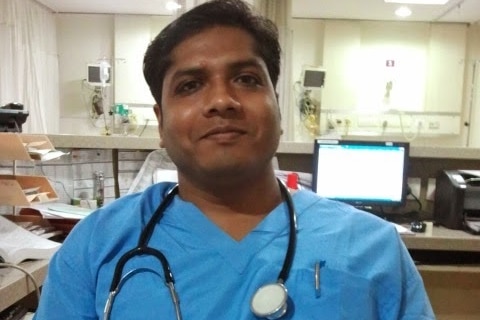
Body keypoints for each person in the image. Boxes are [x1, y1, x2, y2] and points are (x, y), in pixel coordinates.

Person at [34, 0, 435, 319]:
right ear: (161, 122)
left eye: (246, 79)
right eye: (190, 85)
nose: (222, 101)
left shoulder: (372, 249)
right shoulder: (96, 245)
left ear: (277, 106)